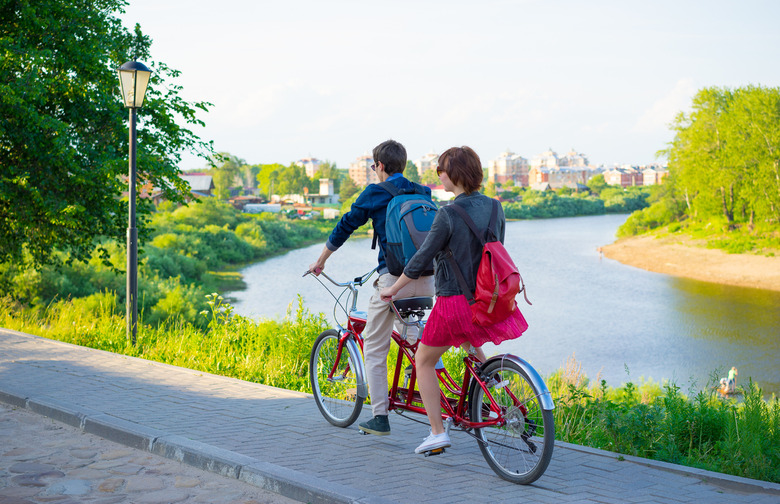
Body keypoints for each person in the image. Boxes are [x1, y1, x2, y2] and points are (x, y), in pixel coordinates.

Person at [379, 146, 529, 454]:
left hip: (455, 303)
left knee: (423, 360)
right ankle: (497, 393)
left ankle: (437, 432)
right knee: (470, 343)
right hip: (489, 301)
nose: (439, 176)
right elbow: (492, 250)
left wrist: (393, 289)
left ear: (454, 174)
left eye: (441, 170)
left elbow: (421, 259)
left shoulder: (447, 213)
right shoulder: (494, 207)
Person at [308, 139, 435, 436]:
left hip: (393, 280)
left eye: (373, 166)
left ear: (378, 166)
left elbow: (346, 225)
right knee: (415, 338)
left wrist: (321, 261)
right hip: (428, 280)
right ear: (402, 164)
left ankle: (380, 417)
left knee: (375, 348)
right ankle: (417, 382)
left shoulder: (376, 192)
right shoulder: (423, 192)